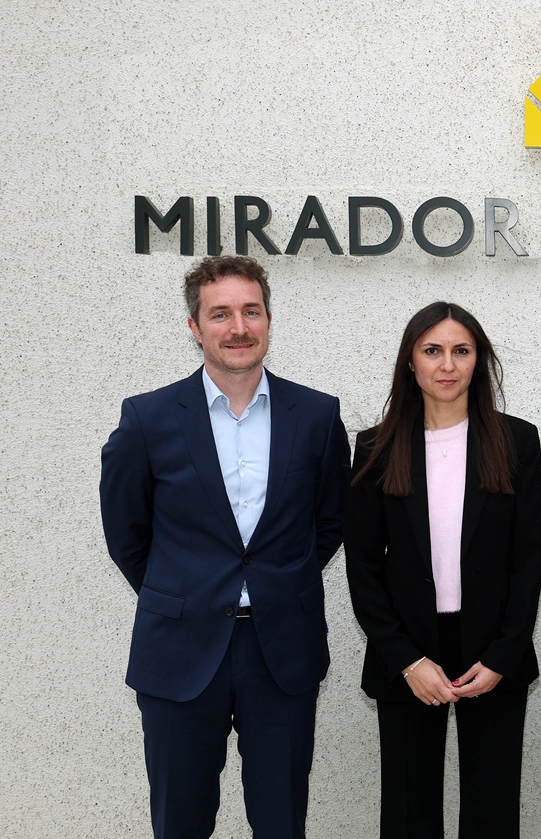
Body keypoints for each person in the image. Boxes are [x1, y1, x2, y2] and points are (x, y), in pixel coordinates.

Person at [99, 255, 350, 838]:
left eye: (250, 311)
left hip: (280, 651)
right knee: (180, 824)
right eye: (221, 314)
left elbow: (331, 521)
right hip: (180, 652)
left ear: (268, 319)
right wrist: (182, 592)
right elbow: (126, 534)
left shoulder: (315, 415)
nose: (238, 327)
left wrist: (277, 583)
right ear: (195, 327)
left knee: (281, 822)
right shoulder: (148, 418)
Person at [344, 302, 541, 838]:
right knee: (409, 815)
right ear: (410, 362)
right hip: (408, 653)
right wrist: (407, 660)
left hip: (493, 654)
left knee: (492, 810)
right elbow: (363, 567)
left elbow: (529, 559)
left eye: (462, 351)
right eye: (432, 351)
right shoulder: (375, 447)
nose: (447, 365)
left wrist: (504, 654)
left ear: (478, 361)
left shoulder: (517, 440)